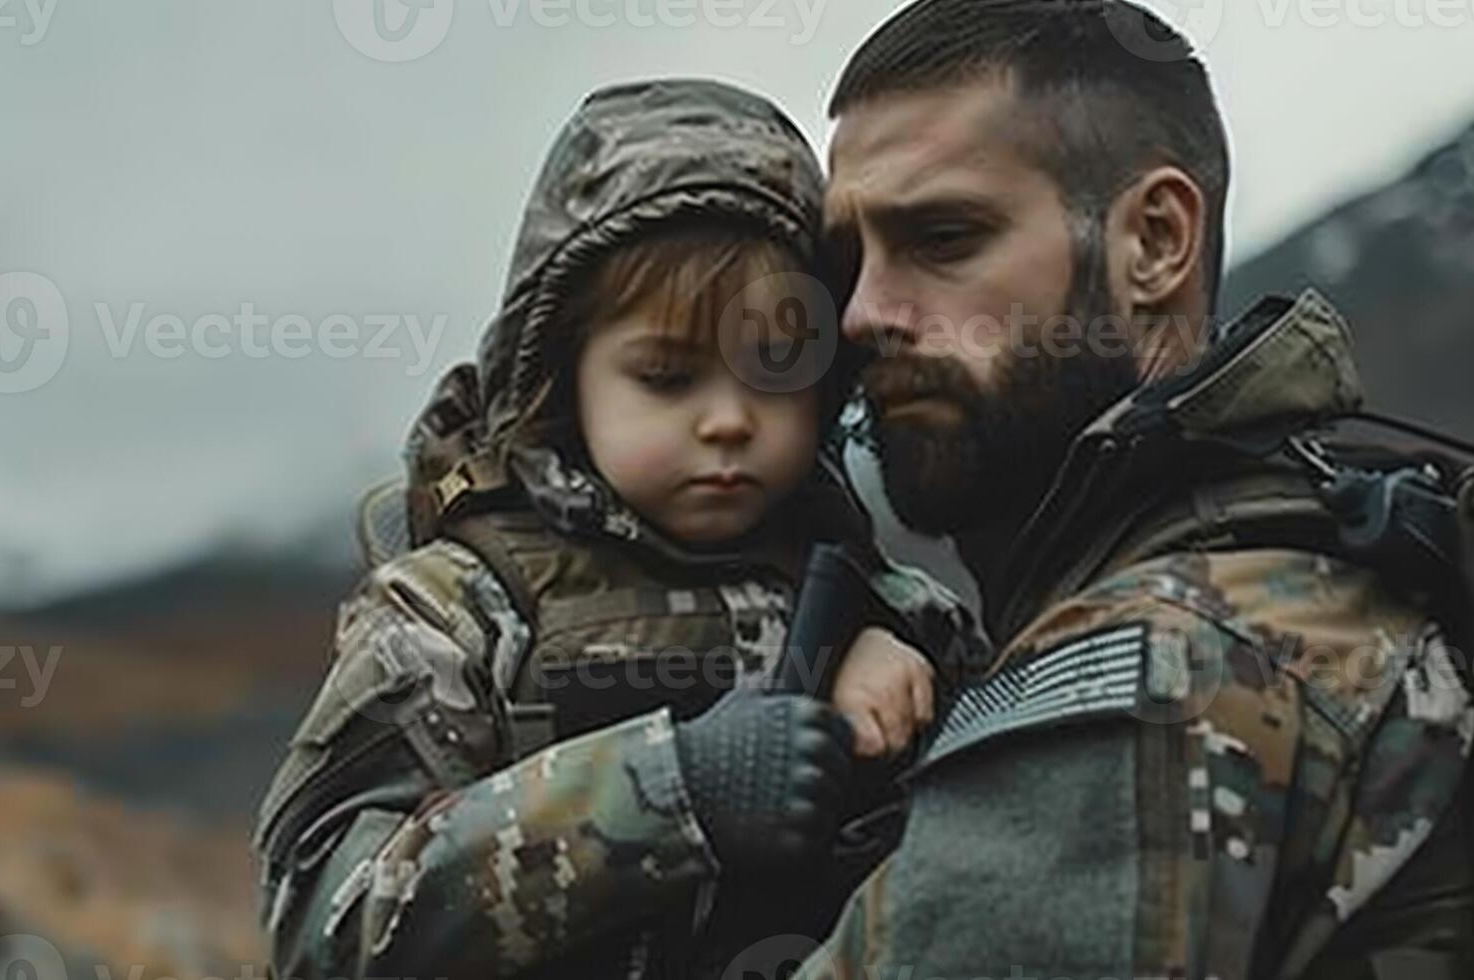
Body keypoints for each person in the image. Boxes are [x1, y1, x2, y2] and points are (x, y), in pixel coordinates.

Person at [797, 2, 1474, 978]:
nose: (862, 314)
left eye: (943, 236)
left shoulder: (1158, 663)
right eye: (845, 262)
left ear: (1154, 241)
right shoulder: (1297, 546)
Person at [251, 78, 987, 980]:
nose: (728, 421)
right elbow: (325, 925)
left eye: (774, 373)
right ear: (566, 378)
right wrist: (668, 792)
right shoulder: (457, 610)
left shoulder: (872, 592)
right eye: (667, 377)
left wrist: (907, 653)